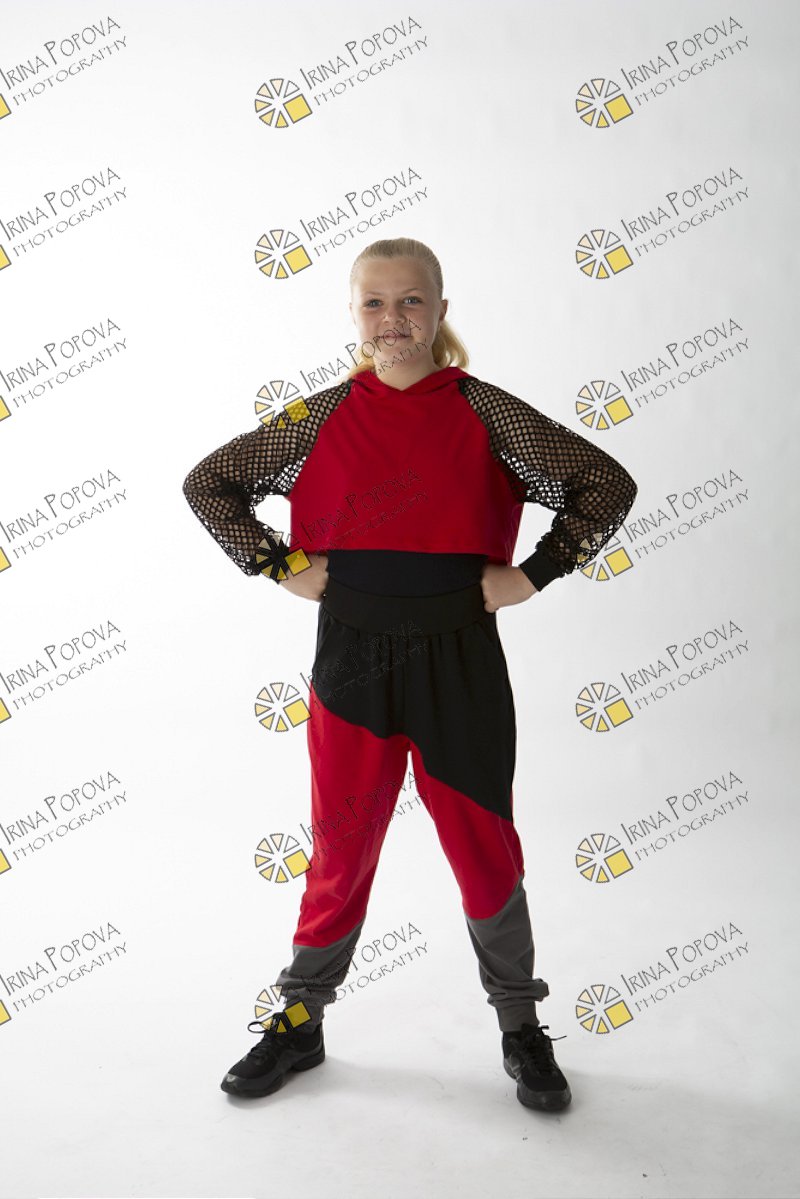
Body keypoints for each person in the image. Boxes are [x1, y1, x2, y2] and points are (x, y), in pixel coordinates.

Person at [182, 236, 638, 1113]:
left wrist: (533, 574)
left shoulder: (485, 410)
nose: (393, 318)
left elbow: (603, 482)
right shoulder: (315, 416)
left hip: (459, 661)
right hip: (352, 661)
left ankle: (520, 1024)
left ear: (440, 309)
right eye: (375, 302)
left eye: (411, 300)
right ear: (354, 315)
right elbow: (210, 483)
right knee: (340, 846)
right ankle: (300, 1021)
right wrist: (279, 565)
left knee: (483, 848)